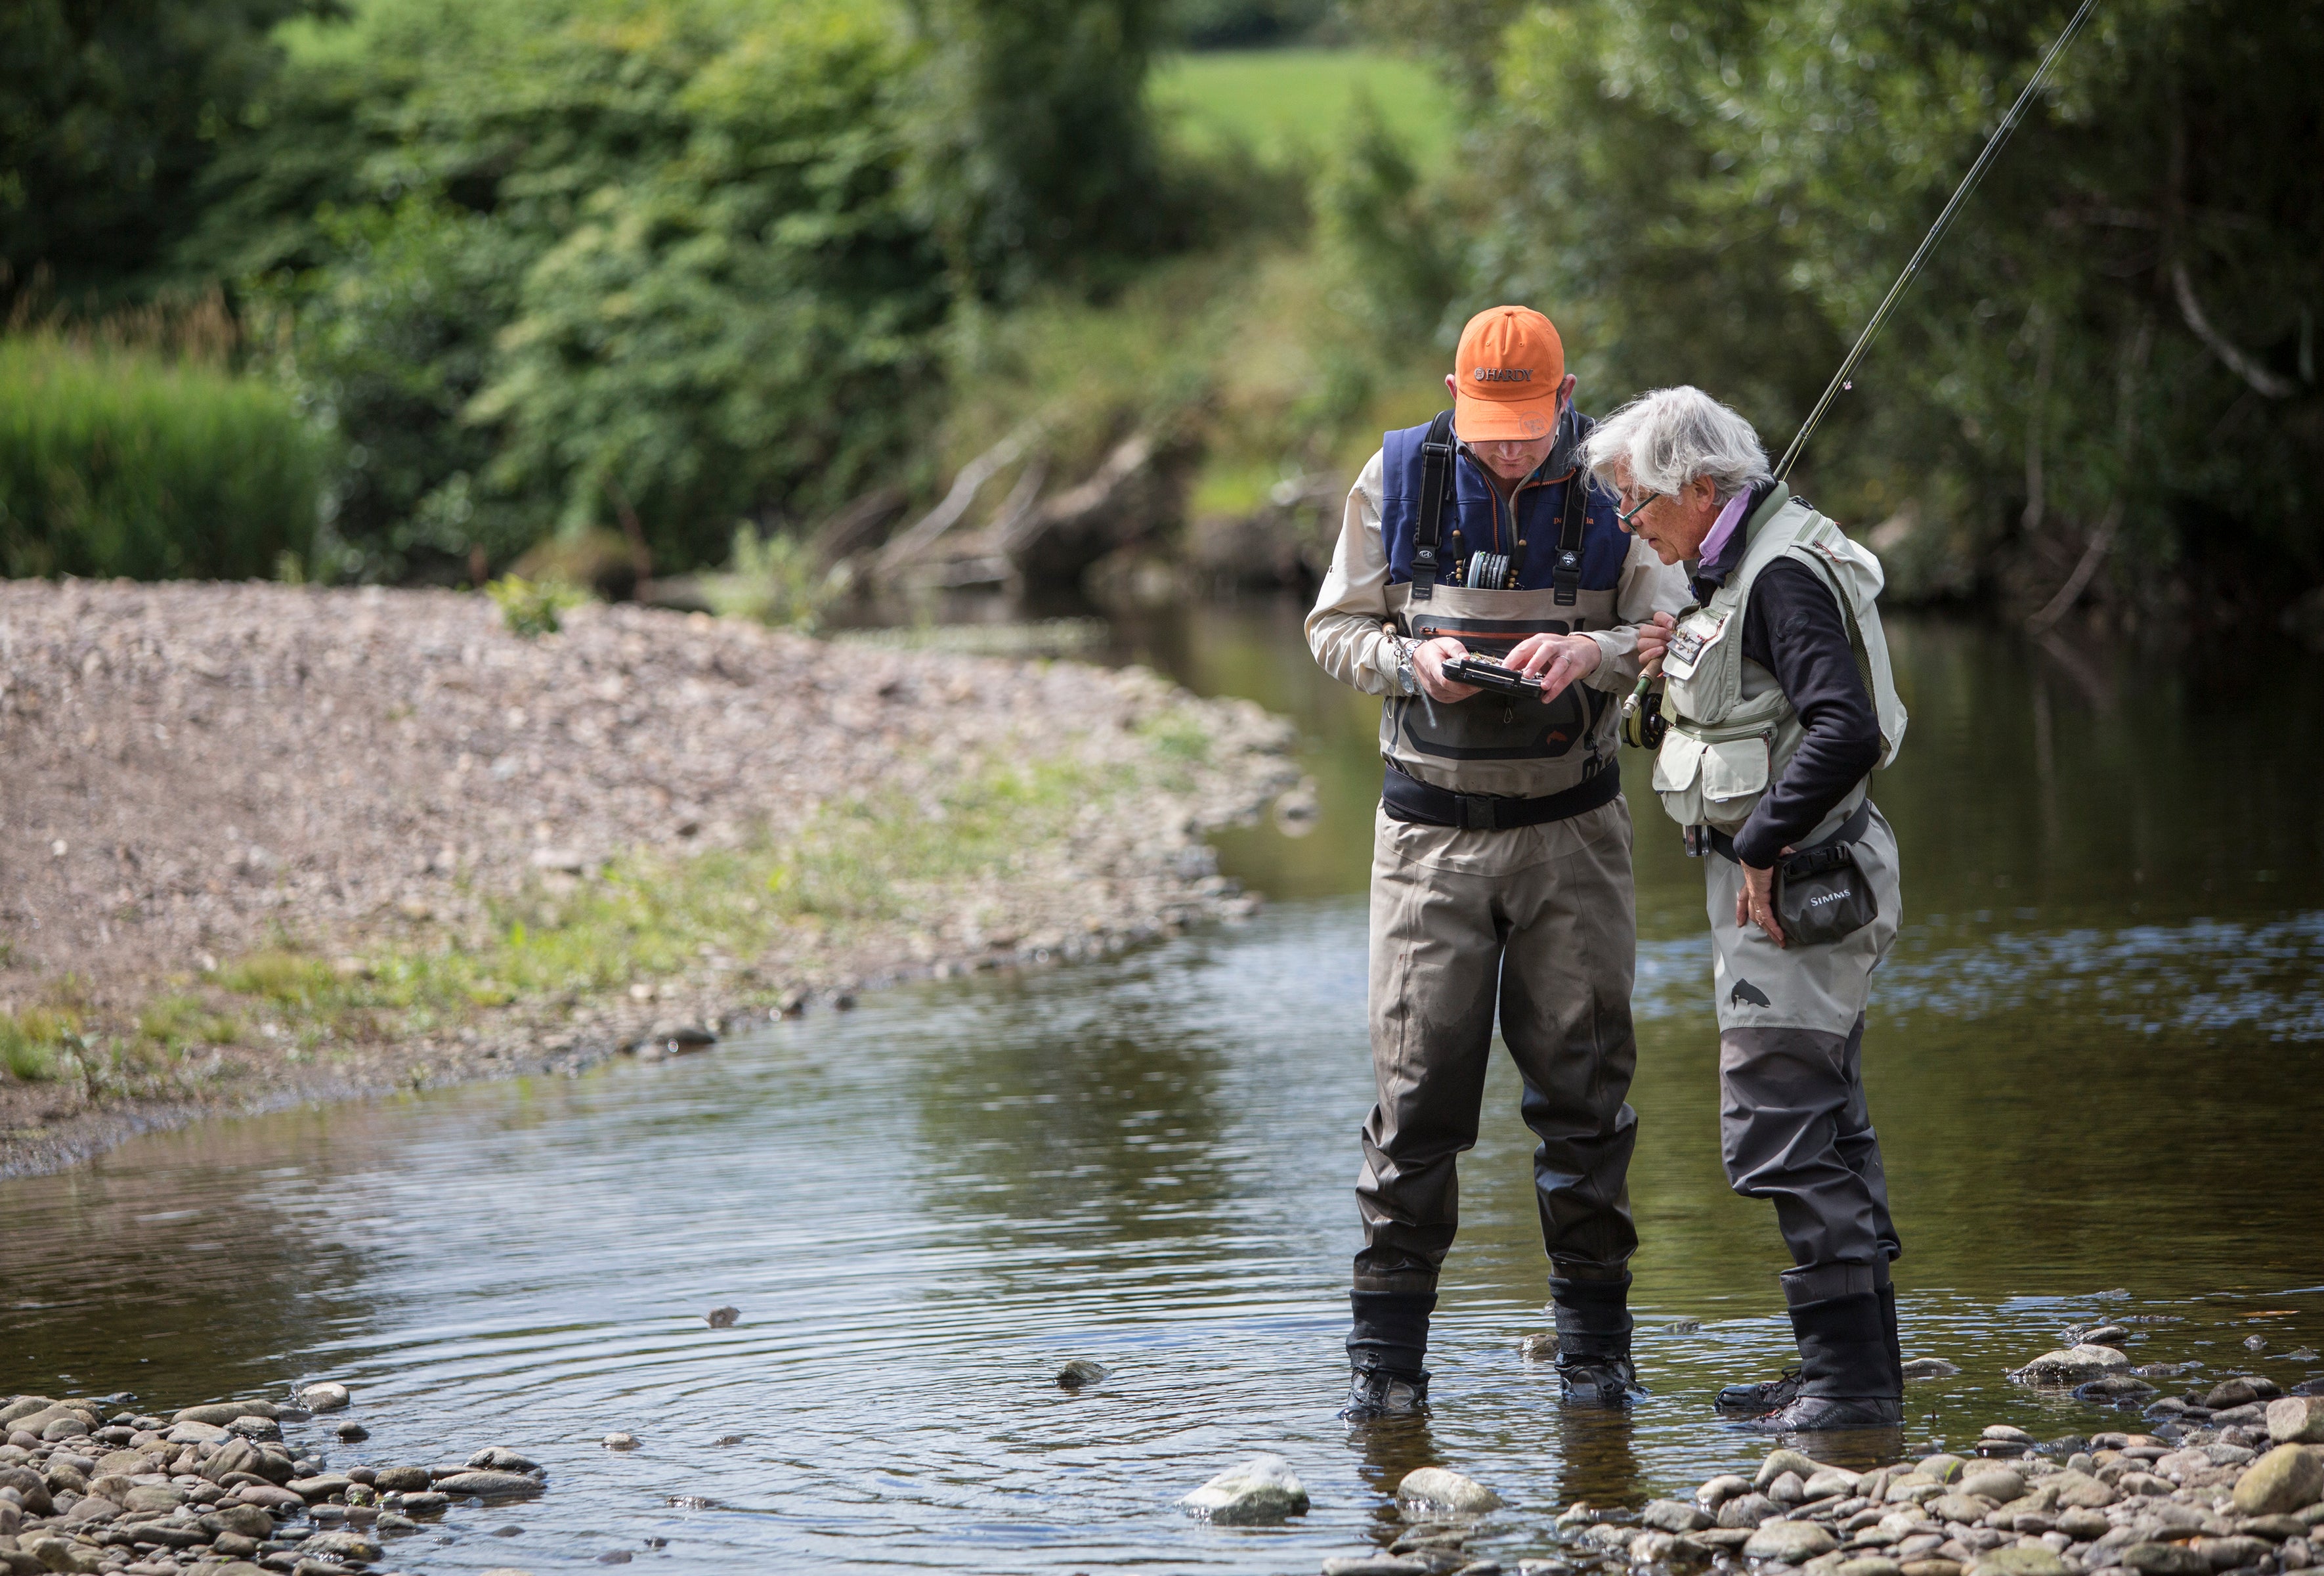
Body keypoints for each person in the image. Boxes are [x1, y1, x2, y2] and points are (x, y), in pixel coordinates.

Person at [1306, 305, 1690, 1418]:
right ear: (1453, 396)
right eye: (1490, 429)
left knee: (1585, 1094)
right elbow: (1332, 631)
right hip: (1428, 840)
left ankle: (1597, 1361)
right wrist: (1409, 659)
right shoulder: (1396, 480)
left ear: (1568, 402)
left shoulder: (1623, 488)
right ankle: (1385, 1372)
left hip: (1574, 836)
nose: (1510, 448)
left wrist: (1596, 652)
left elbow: (1669, 635)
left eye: (1527, 428)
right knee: (1417, 1099)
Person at [1583, 385, 1909, 1431]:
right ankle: (1857, 1378)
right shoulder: (1740, 565)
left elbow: (1845, 730)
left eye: (1638, 505)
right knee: (1830, 1125)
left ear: (1701, 487)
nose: (1632, 526)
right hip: (1786, 891)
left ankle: (1846, 1388)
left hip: (1800, 893)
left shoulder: (1779, 576)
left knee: (1777, 1126)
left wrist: (1763, 841)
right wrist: (1663, 664)